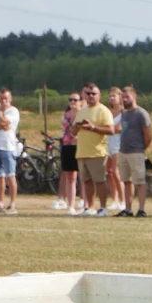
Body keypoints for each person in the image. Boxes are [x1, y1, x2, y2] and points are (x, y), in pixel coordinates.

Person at [72, 83, 117, 217]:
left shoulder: (103, 110)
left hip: (97, 151)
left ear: (99, 95)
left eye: (94, 94)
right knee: (86, 181)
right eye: (88, 93)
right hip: (82, 151)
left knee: (100, 181)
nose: (90, 96)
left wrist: (92, 128)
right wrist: (76, 128)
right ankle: (90, 207)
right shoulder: (82, 111)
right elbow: (74, 131)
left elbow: (111, 130)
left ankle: (103, 208)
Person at [116, 86, 152, 217]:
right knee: (126, 181)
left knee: (140, 181)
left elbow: (148, 135)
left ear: (134, 97)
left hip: (136, 151)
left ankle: (141, 209)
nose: (124, 100)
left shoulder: (141, 113)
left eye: (127, 97)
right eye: (123, 97)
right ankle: (128, 208)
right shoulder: (124, 114)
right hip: (123, 151)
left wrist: (141, 149)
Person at [56, 91, 81, 213]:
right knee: (70, 177)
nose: (72, 102)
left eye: (75, 100)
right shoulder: (65, 116)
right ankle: (71, 205)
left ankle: (85, 203)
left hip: (80, 146)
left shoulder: (83, 115)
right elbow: (67, 129)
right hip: (67, 146)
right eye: (70, 100)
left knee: (84, 176)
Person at [106, 87, 125, 210]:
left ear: (120, 97)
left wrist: (108, 129)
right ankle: (114, 199)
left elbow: (119, 128)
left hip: (118, 144)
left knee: (116, 172)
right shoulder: (107, 111)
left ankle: (123, 200)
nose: (112, 98)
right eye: (110, 96)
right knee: (109, 173)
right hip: (107, 143)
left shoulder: (124, 112)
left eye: (114, 96)